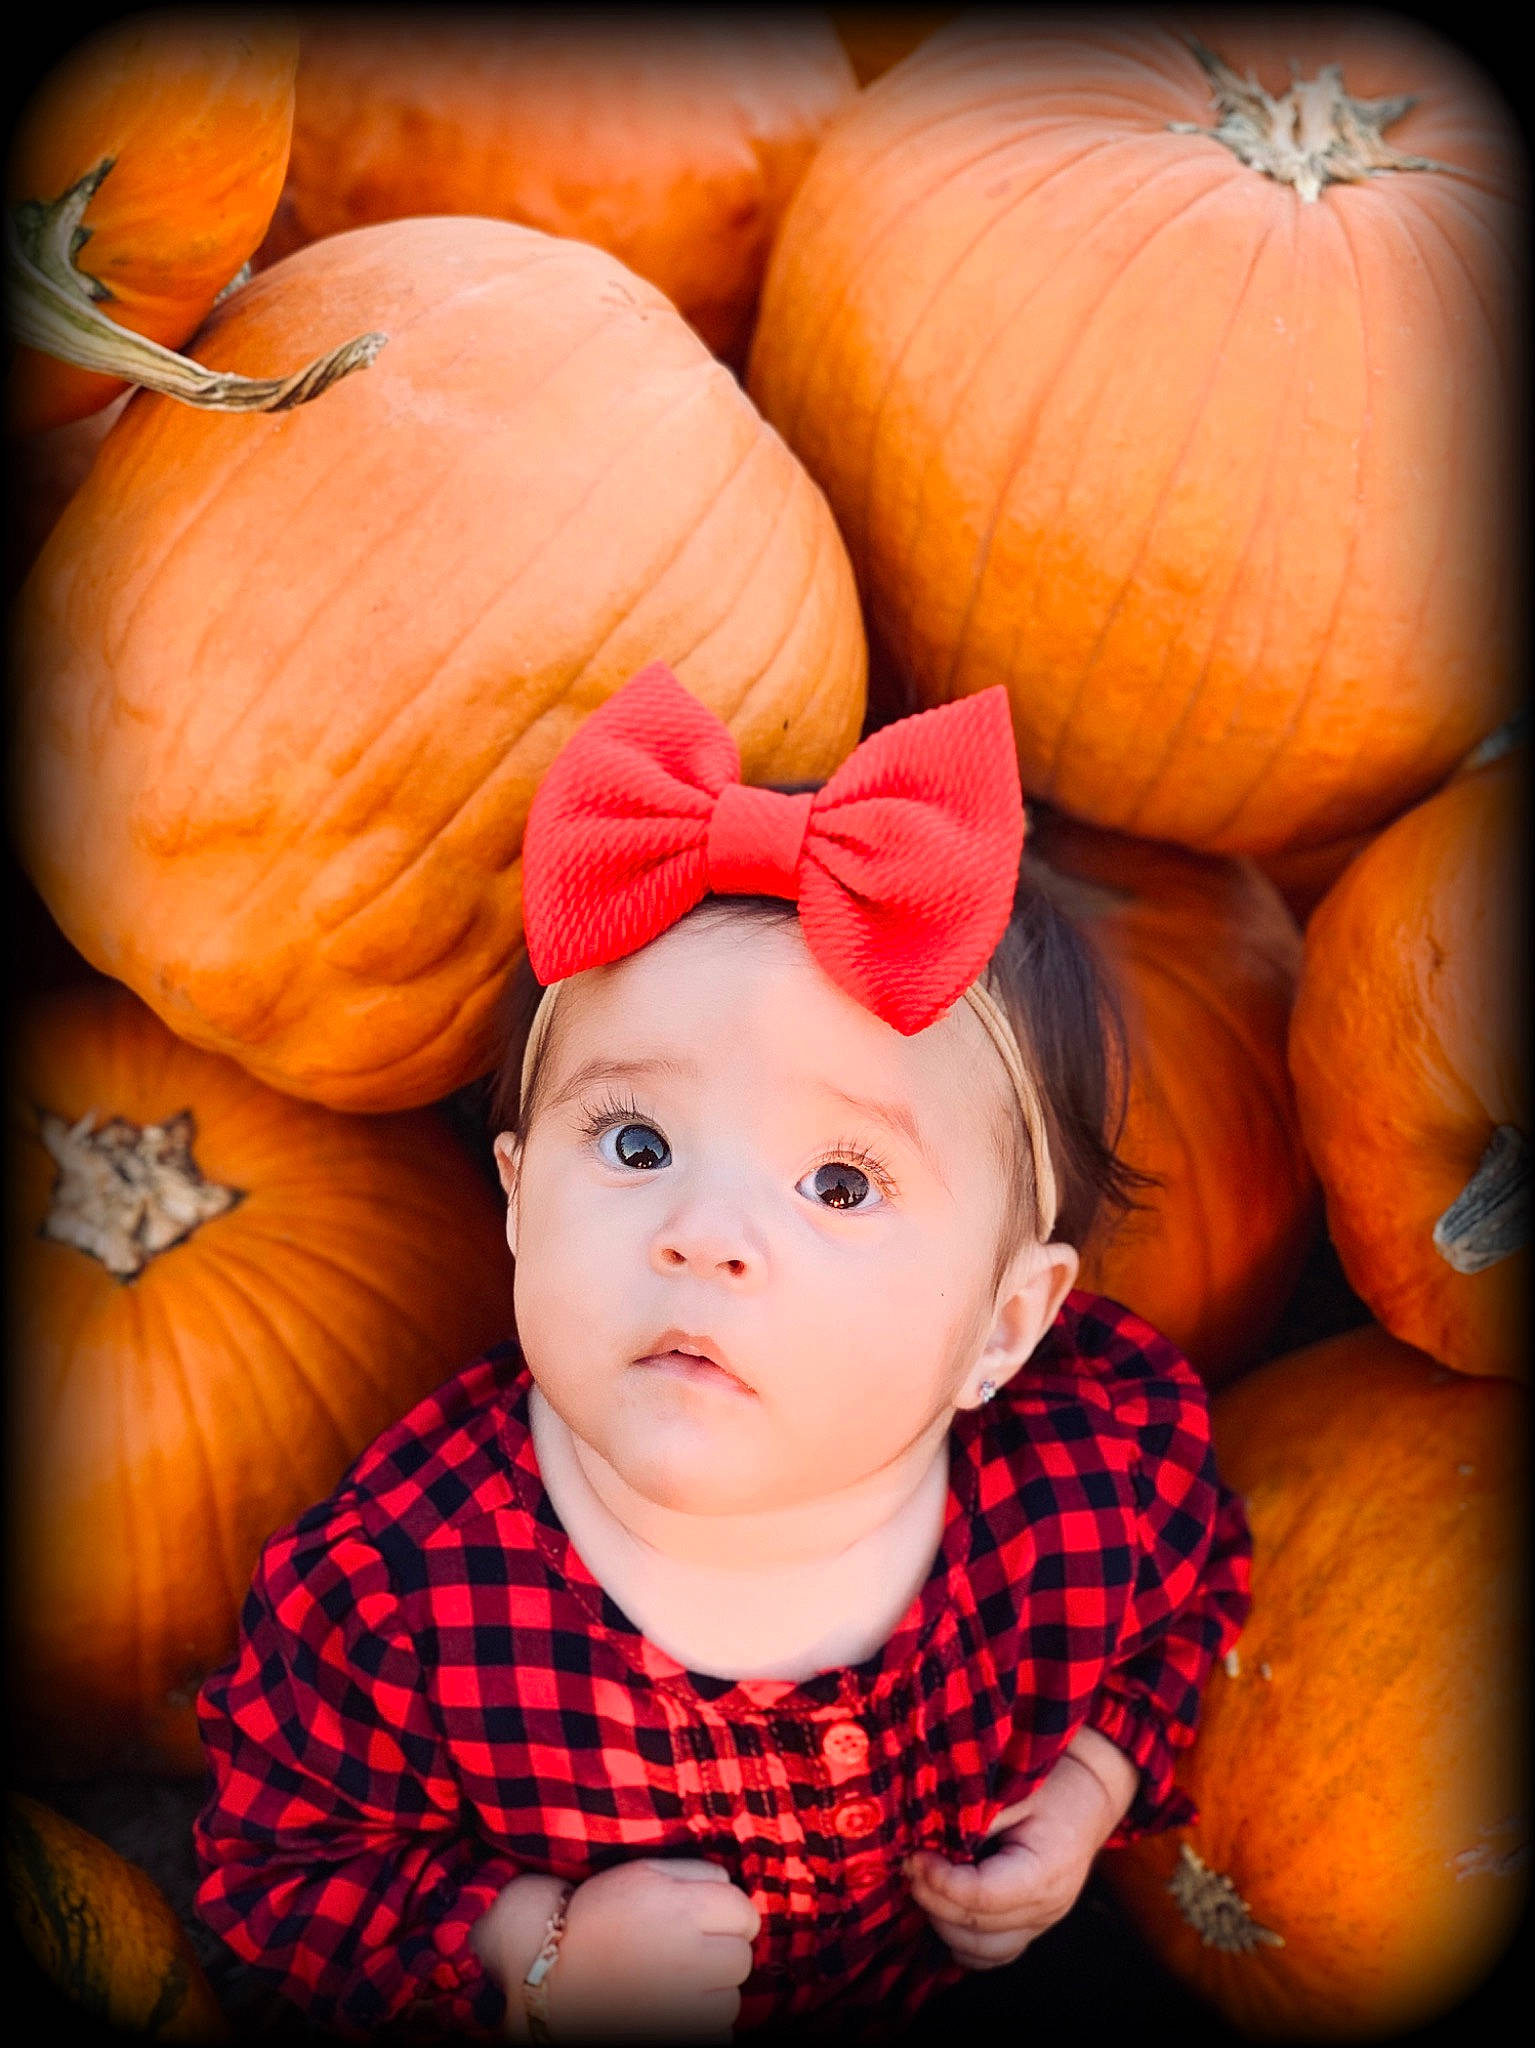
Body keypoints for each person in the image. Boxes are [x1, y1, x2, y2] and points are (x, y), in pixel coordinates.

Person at [193, 664, 1251, 2045]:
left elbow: (1186, 1599)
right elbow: (278, 1866)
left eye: (841, 1184)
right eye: (635, 1144)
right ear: (515, 1201)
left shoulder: (1084, 1483)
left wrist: (1092, 1789)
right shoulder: (398, 1603)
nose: (704, 1235)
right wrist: (534, 1947)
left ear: (1004, 1326)